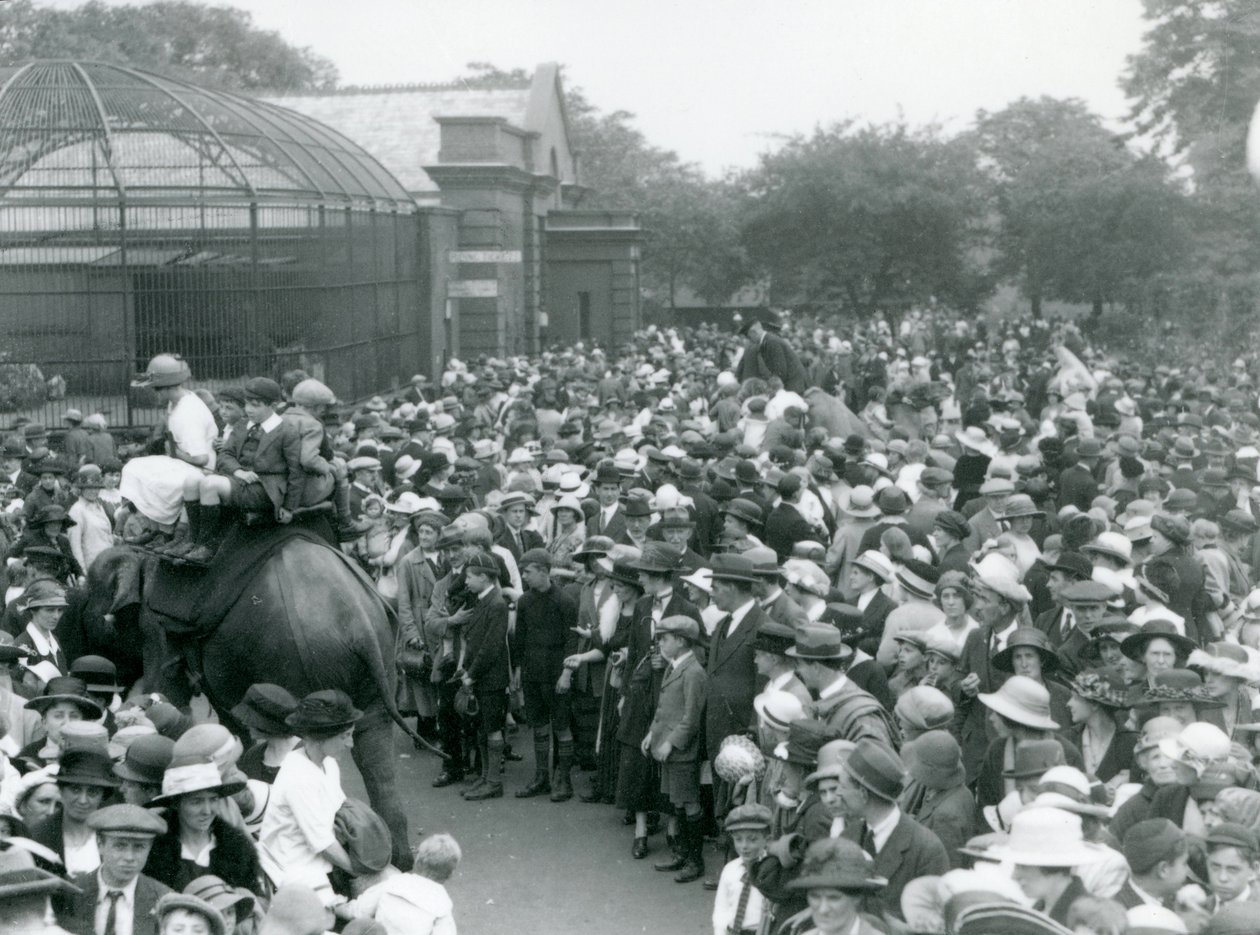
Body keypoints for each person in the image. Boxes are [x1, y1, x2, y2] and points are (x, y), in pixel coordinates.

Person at [177, 378, 309, 563]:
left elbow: (296, 471)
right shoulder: (242, 425)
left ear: (273, 405)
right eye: (247, 403)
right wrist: (238, 471)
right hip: (239, 479)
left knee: (210, 484)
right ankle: (191, 540)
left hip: (264, 488)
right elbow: (225, 455)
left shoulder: (286, 431)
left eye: (255, 405)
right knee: (191, 481)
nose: (248, 409)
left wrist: (288, 507)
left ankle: (207, 545)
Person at [258, 689, 360, 905]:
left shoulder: (328, 763)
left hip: (323, 863)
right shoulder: (298, 777)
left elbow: (343, 812)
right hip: (296, 873)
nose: (350, 744)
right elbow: (323, 844)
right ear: (320, 737)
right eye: (345, 736)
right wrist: (361, 871)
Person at [838, 739, 949, 920]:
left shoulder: (926, 850)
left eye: (843, 787)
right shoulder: (847, 837)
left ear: (863, 794)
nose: (838, 794)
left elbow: (935, 925)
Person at [119, 355, 217, 545]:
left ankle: (167, 531)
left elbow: (201, 458)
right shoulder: (177, 402)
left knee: (151, 478)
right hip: (183, 460)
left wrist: (173, 453)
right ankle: (155, 529)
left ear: (166, 387)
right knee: (133, 467)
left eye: (155, 389)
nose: (154, 393)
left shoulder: (187, 413)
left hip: (200, 468)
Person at [641, 614, 708, 884]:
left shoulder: (693, 671)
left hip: (681, 751)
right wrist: (652, 734)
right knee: (678, 802)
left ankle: (695, 860)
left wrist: (669, 742)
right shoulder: (675, 666)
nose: (660, 644)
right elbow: (665, 709)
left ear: (681, 641)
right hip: (669, 748)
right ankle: (682, 853)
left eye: (664, 639)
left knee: (689, 802)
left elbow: (691, 718)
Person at [513, 548, 579, 802]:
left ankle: (563, 780)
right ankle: (541, 777)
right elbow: (520, 638)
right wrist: (518, 670)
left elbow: (571, 642)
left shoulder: (564, 602)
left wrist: (566, 674)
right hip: (532, 674)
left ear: (543, 571)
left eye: (528, 572)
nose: (525, 576)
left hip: (556, 675)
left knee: (561, 726)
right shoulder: (525, 601)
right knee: (539, 726)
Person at [144, 761, 261, 895]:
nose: (207, 810)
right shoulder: (153, 852)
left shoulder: (238, 850)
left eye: (213, 800)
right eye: (196, 801)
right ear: (176, 804)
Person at [60, 803, 172, 935]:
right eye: (120, 846)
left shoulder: (164, 899)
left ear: (150, 848)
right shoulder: (71, 893)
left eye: (139, 847)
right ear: (100, 844)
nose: (129, 857)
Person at [456, 552, 512, 801]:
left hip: (491, 679)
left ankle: (494, 782)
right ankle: (486, 777)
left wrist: (471, 674)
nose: (466, 581)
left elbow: (491, 647)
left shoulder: (496, 604)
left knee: (491, 729)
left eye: (469, 577)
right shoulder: (482, 599)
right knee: (481, 728)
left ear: (484, 577)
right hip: (480, 677)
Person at [334, 832, 461, 935]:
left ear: (417, 861)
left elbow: (358, 911)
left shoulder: (393, 883)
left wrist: (335, 905)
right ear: (450, 875)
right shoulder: (442, 905)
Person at [30, 749, 119, 875]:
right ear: (61, 790)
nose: (83, 800)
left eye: (92, 792)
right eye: (75, 790)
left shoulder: (116, 833)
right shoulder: (37, 837)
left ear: (102, 796)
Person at [711, 804, 772, 935]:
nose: (744, 846)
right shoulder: (730, 869)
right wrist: (720, 931)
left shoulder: (773, 869)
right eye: (738, 839)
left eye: (752, 839)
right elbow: (722, 905)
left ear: (767, 840)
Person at [230, 684, 299, 785]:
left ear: (268, 724)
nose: (244, 722)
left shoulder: (307, 754)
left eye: (252, 720)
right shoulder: (253, 755)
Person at [736, 319, 807, 394]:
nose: (750, 341)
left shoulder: (771, 342)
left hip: (793, 384)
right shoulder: (767, 340)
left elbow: (780, 371)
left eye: (749, 337)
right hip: (793, 382)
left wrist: (772, 389)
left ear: (753, 332)